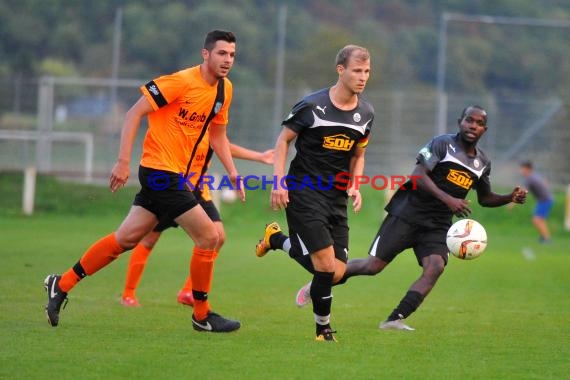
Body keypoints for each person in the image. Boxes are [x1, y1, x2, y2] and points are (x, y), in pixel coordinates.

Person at [44, 30, 245, 332]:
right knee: (210, 236)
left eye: (231, 54)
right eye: (221, 53)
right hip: (159, 171)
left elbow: (218, 135)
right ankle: (201, 315)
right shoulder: (179, 81)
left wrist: (232, 170)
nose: (227, 60)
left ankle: (62, 283)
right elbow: (133, 113)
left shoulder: (224, 90)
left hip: (175, 175)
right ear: (205, 54)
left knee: (124, 240)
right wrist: (123, 161)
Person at [262, 105, 527, 332]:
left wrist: (508, 198)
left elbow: (485, 198)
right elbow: (417, 177)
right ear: (460, 122)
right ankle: (319, 281)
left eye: (479, 123)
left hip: (437, 225)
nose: (473, 125)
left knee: (435, 266)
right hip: (407, 214)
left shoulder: (482, 162)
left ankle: (394, 319)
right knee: (373, 266)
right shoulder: (442, 144)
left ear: (484, 130)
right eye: (469, 120)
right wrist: (450, 200)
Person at [256, 45, 374, 342]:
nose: (363, 77)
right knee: (323, 264)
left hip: (335, 197)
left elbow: (358, 154)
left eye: (367, 71)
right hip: (303, 191)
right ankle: (323, 330)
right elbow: (283, 141)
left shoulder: (366, 113)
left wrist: (356, 185)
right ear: (340, 70)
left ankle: (277, 240)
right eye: (357, 71)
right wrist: (279, 182)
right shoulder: (312, 106)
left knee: (335, 273)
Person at [121, 143, 274, 307]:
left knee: (218, 236)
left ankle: (188, 291)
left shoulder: (210, 124)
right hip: (174, 187)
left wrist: (260, 156)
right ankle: (128, 294)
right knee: (149, 239)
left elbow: (222, 144)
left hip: (199, 190)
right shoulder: (185, 125)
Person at [519, 160, 554, 243]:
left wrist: (511, 203)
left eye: (522, 169)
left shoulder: (530, 178)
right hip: (543, 200)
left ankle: (547, 239)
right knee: (538, 220)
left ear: (527, 169)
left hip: (545, 200)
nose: (520, 171)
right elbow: (545, 182)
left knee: (537, 220)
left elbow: (523, 192)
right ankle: (544, 237)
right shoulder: (534, 176)